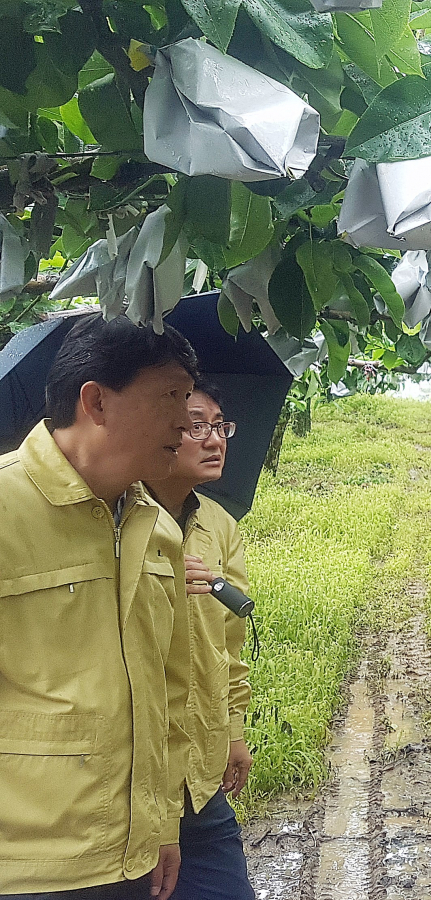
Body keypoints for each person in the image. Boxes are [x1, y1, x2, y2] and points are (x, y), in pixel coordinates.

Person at [0, 314, 198, 899]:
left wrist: (162, 823)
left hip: (131, 859)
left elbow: (171, 689)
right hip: (24, 865)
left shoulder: (157, 526)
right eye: (170, 395)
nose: (188, 420)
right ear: (96, 402)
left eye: (189, 397)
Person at [146, 380, 255, 900]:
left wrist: (232, 728)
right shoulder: (117, 518)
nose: (215, 440)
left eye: (220, 426)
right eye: (196, 426)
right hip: (138, 779)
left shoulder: (219, 524)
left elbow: (227, 646)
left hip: (199, 778)